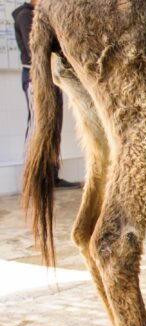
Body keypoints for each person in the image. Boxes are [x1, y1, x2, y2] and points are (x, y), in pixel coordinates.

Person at [13, 0, 79, 189]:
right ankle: (32, 178)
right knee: (38, 126)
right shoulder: (26, 15)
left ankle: (51, 176)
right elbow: (37, 50)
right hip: (37, 78)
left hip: (52, 76)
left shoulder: (42, 15)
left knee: (54, 126)